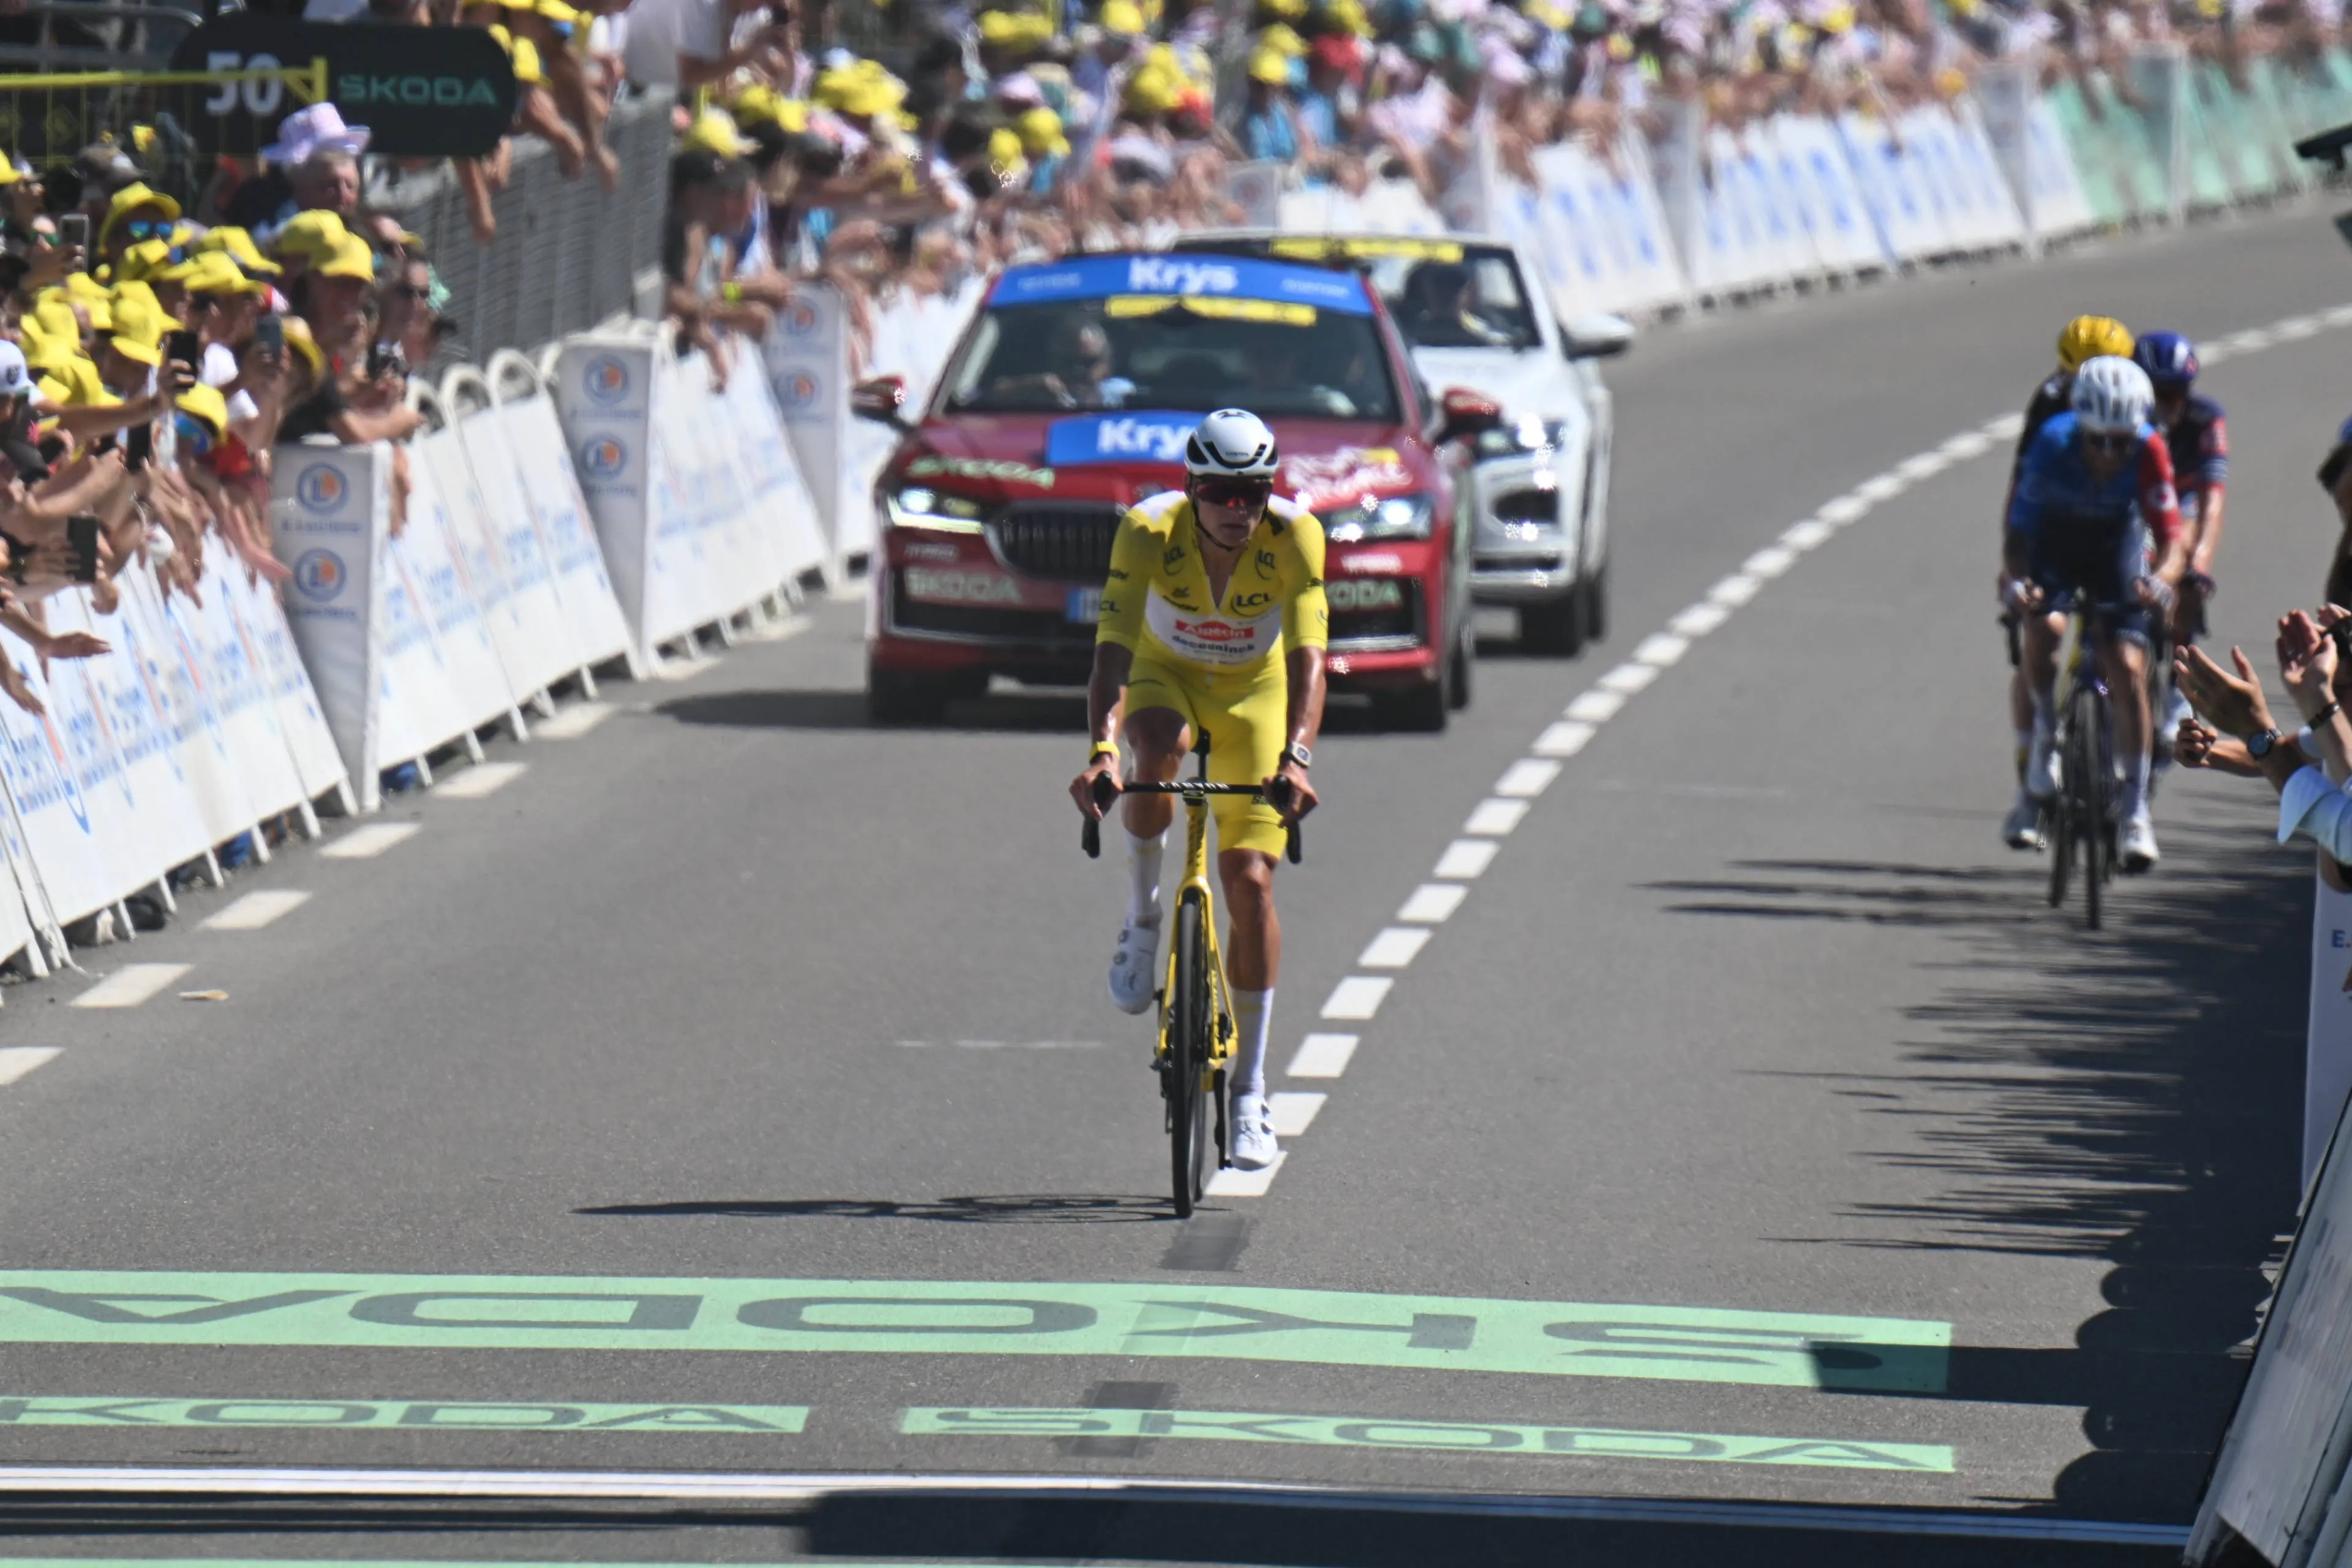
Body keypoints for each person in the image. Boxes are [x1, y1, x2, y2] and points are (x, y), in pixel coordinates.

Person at [1069, 409, 1327, 1173]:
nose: (1238, 509)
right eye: (1222, 491)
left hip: (1256, 692)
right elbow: (1111, 653)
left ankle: (1249, 1089)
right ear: (1192, 487)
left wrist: (1298, 757)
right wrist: (1102, 751)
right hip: (1165, 675)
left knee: (1249, 882)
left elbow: (1313, 658)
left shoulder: (1295, 536)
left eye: (1254, 492)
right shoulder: (1148, 531)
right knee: (1156, 748)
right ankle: (1145, 914)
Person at [2002, 355, 2185, 872]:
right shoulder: (2053, 443)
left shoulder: (2150, 448)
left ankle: (2134, 812)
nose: (2110, 453)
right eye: (2099, 441)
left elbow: (2171, 539)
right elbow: (2018, 537)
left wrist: (2163, 581)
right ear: (2081, 428)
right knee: (2046, 629)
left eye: (2120, 442)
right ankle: (2043, 737)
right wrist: (2019, 583)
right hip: (2057, 542)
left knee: (2127, 664)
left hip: (2117, 546)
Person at [2000, 312, 2133, 850]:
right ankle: (2031, 778)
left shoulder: (2136, 398)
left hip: (2119, 524)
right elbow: (2020, 491)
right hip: (2057, 523)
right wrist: (2011, 570)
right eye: (2074, 376)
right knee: (2040, 632)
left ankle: (2147, 731)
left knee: (2130, 639)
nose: (2084, 391)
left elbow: (2159, 484)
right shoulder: (2051, 403)